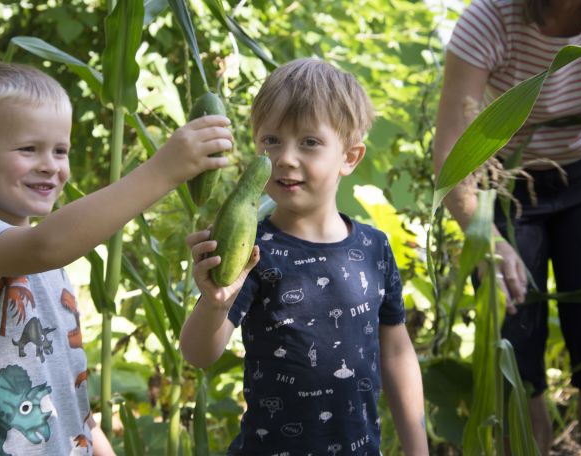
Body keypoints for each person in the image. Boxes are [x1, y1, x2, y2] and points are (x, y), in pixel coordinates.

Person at [0, 61, 233, 455]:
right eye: (28, 149)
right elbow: (46, 244)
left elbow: (68, 391)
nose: (50, 165)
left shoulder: (48, 264)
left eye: (60, 150)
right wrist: (164, 170)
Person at [180, 58, 428, 454]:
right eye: (271, 140)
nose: (285, 158)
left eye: (309, 142)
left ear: (350, 157)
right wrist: (214, 303)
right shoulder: (253, 248)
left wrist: (418, 450)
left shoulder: (374, 248)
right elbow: (198, 353)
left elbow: (397, 352)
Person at [433, 0, 581, 453]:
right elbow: (452, 156)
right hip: (506, 185)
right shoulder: (491, 19)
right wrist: (487, 240)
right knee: (514, 354)